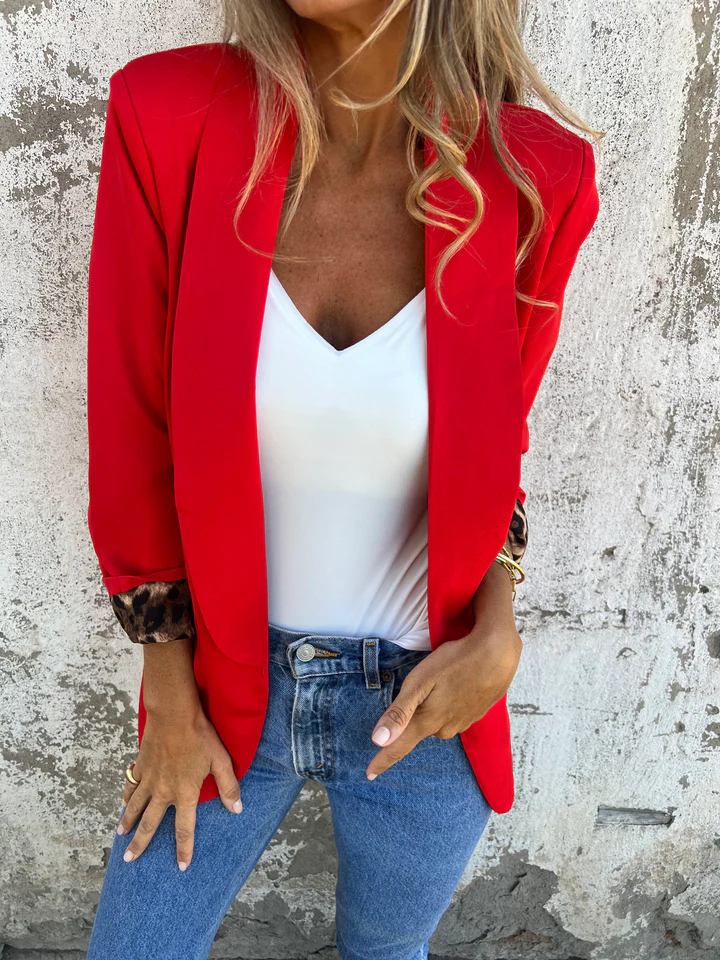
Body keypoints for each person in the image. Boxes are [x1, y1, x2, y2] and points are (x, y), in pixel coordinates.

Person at [85, 2, 600, 957]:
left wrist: (499, 631)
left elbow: (494, 457)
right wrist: (167, 687)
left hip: (426, 700)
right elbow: (129, 429)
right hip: (221, 690)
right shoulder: (169, 119)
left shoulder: (537, 177)